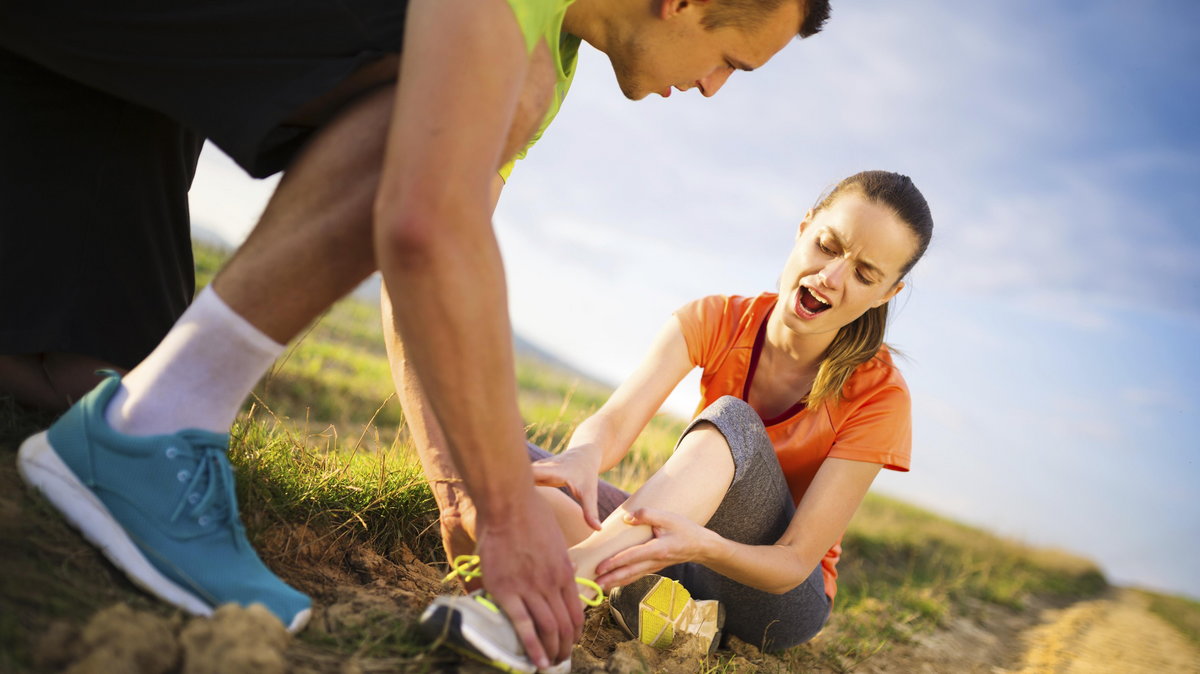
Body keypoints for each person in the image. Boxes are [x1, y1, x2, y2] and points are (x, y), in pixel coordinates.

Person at [5, 0, 831, 669]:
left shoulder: (549, 56)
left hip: (82, 73)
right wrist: (503, 513)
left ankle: (143, 414)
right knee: (439, 93)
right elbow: (425, 224)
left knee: (97, 367)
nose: (717, 88)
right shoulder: (516, 56)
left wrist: (462, 484)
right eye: (731, 60)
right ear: (682, 3)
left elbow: (434, 267)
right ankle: (153, 431)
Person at [419, 170, 933, 668]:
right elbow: (616, 421)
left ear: (887, 294)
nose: (832, 276)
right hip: (675, 547)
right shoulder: (714, 317)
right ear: (803, 230)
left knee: (733, 418)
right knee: (494, 463)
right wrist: (583, 456)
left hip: (773, 598)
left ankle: (553, 599)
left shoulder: (882, 395)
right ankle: (658, 607)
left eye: (865, 274)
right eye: (827, 245)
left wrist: (704, 545)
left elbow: (793, 564)